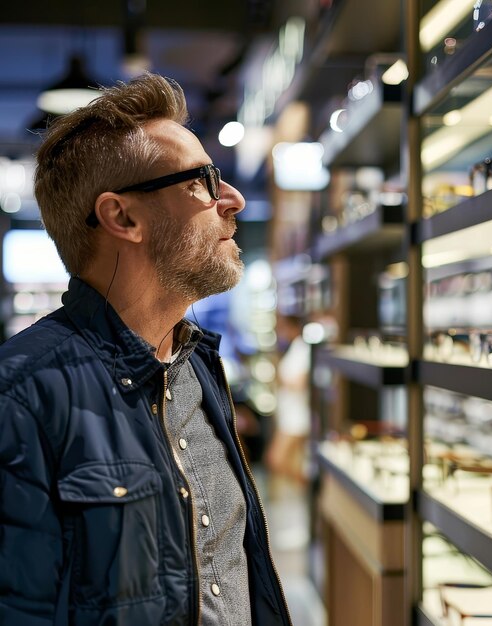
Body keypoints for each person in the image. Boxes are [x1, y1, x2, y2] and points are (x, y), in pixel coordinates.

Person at [0, 73, 292, 625]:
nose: (233, 198)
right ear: (123, 217)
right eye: (202, 181)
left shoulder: (196, 366)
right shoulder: (21, 397)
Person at [265, 315, 311, 485]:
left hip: (297, 417)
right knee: (295, 461)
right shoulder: (295, 348)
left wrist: (281, 377)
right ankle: (307, 491)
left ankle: (311, 488)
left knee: (276, 459)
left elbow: (301, 382)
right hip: (289, 414)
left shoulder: (303, 348)